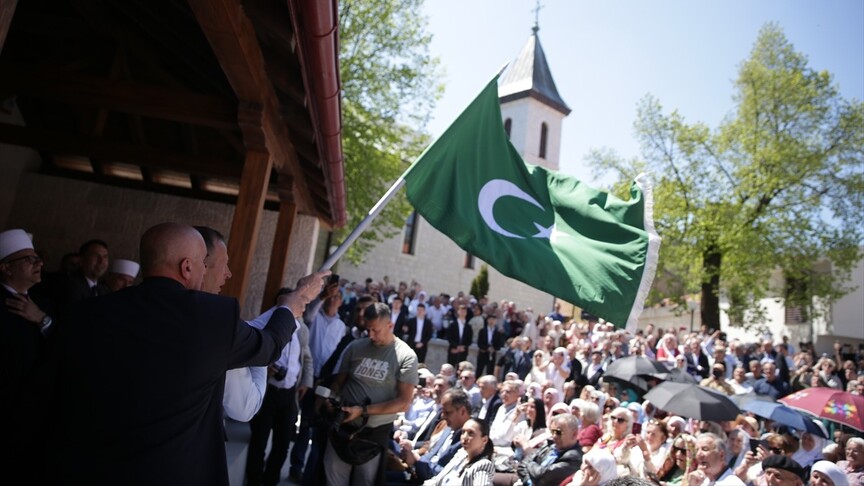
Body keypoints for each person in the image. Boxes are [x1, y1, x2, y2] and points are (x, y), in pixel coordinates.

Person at [23, 222, 329, 486]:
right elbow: (268, 346)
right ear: (187, 267)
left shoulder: (85, 313)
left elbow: (45, 392)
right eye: (208, 264)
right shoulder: (213, 318)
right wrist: (293, 302)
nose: (223, 272)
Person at [322, 302, 419, 486]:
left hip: (373, 435)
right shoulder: (355, 347)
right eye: (368, 330)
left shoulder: (405, 356)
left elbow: (404, 402)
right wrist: (331, 400)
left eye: (376, 330)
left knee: (365, 481)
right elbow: (338, 383)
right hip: (342, 427)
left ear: (390, 325)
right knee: (333, 479)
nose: (371, 336)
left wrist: (363, 410)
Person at [1, 228, 55, 474]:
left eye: (38, 258)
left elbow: (61, 343)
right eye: (29, 260)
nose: (39, 263)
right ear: (6, 268)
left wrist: (41, 319)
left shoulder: (43, 303)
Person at [514, 413, 584, 486]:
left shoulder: (574, 458)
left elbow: (541, 474)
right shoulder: (550, 446)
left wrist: (530, 463)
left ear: (574, 434)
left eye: (558, 432)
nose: (554, 436)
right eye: (552, 432)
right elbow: (522, 465)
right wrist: (528, 481)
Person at [423, 417, 495, 486]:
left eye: (471, 433)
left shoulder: (482, 465)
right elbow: (436, 481)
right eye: (463, 432)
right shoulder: (460, 455)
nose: (464, 437)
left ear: (484, 440)